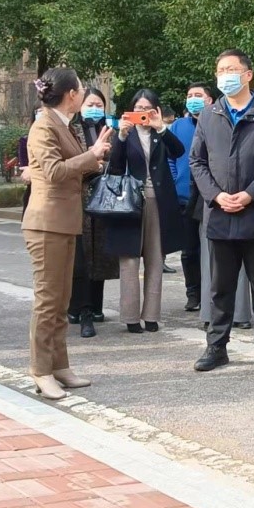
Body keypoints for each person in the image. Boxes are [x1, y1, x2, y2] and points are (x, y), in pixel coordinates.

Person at [189, 49, 254, 372]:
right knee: (220, 286)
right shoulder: (209, 114)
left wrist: (249, 195)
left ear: (248, 74)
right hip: (219, 214)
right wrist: (216, 196)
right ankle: (217, 346)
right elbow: (197, 161)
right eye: (220, 70)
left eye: (231, 69)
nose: (224, 76)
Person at [22, 69, 112, 399]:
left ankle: (59, 365)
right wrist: (90, 156)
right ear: (71, 94)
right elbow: (53, 171)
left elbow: (74, 164)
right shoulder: (44, 125)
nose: (82, 94)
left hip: (63, 221)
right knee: (48, 301)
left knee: (61, 300)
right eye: (79, 89)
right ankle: (41, 370)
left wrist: (95, 157)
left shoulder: (62, 124)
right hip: (46, 222)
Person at [104, 88, 186, 333]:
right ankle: (130, 317)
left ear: (155, 110)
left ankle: (151, 315)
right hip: (131, 202)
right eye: (137, 108)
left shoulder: (161, 133)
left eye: (146, 108)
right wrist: (120, 136)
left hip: (159, 201)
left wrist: (160, 127)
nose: (142, 113)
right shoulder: (125, 134)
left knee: (155, 258)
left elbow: (179, 151)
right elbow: (115, 167)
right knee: (129, 259)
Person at [68, 87, 114, 336]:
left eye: (99, 104)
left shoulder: (111, 130)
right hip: (79, 199)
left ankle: (96, 306)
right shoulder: (72, 130)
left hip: (104, 199)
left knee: (101, 254)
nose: (94, 108)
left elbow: (118, 162)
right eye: (90, 104)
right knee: (80, 257)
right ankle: (80, 308)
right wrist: (92, 162)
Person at [171, 82, 213, 312]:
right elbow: (169, 158)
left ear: (210, 100)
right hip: (185, 197)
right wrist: (177, 178)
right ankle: (193, 293)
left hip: (210, 198)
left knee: (212, 249)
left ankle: (211, 293)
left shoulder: (216, 123)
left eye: (198, 95)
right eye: (190, 95)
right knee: (189, 251)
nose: (193, 99)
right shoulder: (178, 126)